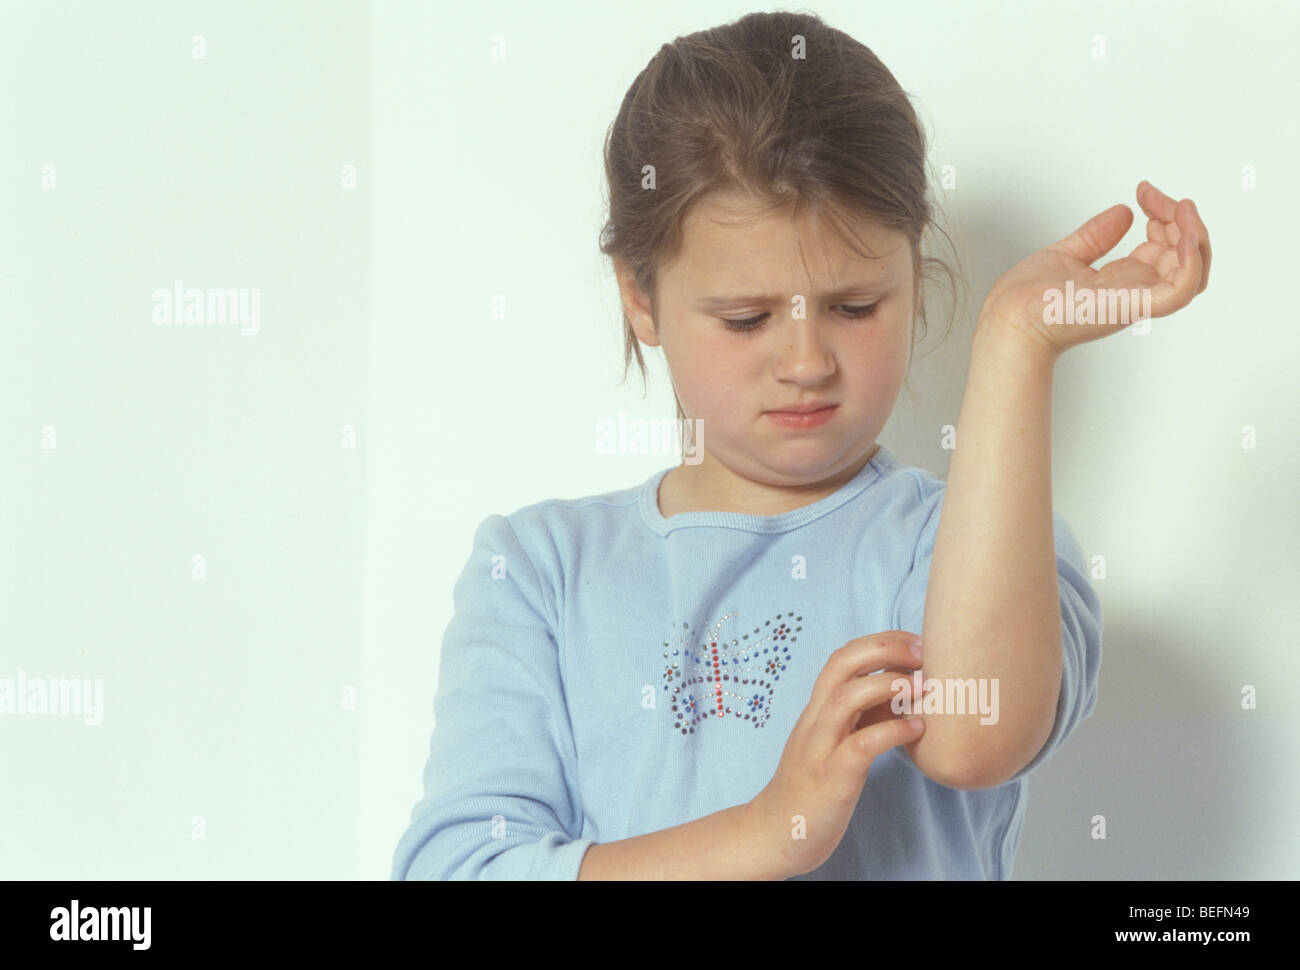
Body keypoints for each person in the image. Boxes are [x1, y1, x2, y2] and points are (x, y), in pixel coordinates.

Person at [391, 10, 1211, 880]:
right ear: (640, 296)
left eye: (856, 307)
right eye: (746, 319)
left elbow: (978, 737)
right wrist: (769, 828)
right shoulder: (538, 571)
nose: (807, 361)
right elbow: (459, 868)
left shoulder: (973, 542)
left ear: (914, 269)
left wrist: (1015, 344)